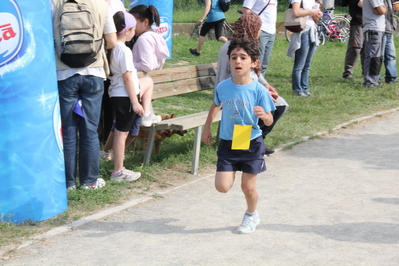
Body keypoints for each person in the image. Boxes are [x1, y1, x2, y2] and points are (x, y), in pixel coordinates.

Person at [202, 38, 275, 234]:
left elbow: (269, 121)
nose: (238, 61)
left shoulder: (259, 89)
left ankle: (252, 215)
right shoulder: (223, 87)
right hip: (228, 139)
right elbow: (215, 105)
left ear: (254, 63)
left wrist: (264, 116)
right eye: (234, 57)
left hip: (249, 139)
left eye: (243, 57)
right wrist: (207, 127)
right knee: (222, 187)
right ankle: (250, 210)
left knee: (247, 188)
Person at [51, 0, 116, 190]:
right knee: (90, 130)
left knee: (68, 131)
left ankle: (68, 183)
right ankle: (89, 182)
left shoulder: (54, 2)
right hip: (93, 72)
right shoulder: (102, 4)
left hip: (63, 72)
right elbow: (112, 41)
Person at [215, 12, 289, 155]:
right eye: (259, 27)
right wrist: (261, 91)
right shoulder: (233, 47)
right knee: (264, 107)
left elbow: (254, 73)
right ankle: (243, 145)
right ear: (253, 28)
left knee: (281, 104)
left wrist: (266, 85)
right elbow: (236, 77)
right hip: (234, 92)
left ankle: (257, 139)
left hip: (247, 89)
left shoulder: (245, 44)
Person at [100, 4, 167, 159]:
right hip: (128, 92)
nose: (135, 30)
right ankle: (117, 164)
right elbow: (132, 73)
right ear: (127, 30)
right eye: (133, 27)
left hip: (123, 90)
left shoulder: (114, 46)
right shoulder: (124, 49)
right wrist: (129, 68)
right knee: (122, 131)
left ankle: (109, 154)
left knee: (122, 128)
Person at [107, 11, 161, 181]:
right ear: (128, 30)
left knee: (119, 132)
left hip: (116, 93)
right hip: (125, 96)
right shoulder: (124, 50)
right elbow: (128, 77)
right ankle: (118, 171)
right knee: (121, 134)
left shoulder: (111, 47)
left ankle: (117, 167)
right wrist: (135, 102)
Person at [286, 0, 322, 97]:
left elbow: (313, 15)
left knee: (307, 64)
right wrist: (311, 11)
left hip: (311, 30)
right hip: (303, 31)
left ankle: (304, 88)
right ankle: (297, 89)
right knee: (300, 64)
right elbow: (296, 12)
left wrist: (317, 13)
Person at [129, 4, 170, 72]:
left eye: (134, 23)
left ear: (146, 22)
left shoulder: (143, 39)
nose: (132, 27)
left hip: (143, 79)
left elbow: (147, 66)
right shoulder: (156, 36)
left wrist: (128, 65)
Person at [242, 0, 278, 77]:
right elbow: (245, 10)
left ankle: (261, 84)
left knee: (264, 62)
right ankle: (252, 83)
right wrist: (254, 27)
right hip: (260, 31)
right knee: (257, 61)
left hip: (271, 32)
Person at [362, 0, 387, 87]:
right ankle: (369, 81)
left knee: (378, 57)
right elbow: (382, 11)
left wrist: (382, 9)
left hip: (378, 28)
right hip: (373, 28)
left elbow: (381, 10)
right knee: (372, 56)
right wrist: (383, 9)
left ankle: (374, 80)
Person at [342, 0, 364, 80]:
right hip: (357, 23)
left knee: (367, 49)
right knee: (355, 49)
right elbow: (362, 4)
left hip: (369, 23)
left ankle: (366, 72)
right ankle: (348, 73)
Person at [382, 0, 397, 84]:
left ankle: (391, 77)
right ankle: (375, 78)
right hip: (380, 29)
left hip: (389, 29)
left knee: (391, 55)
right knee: (378, 56)